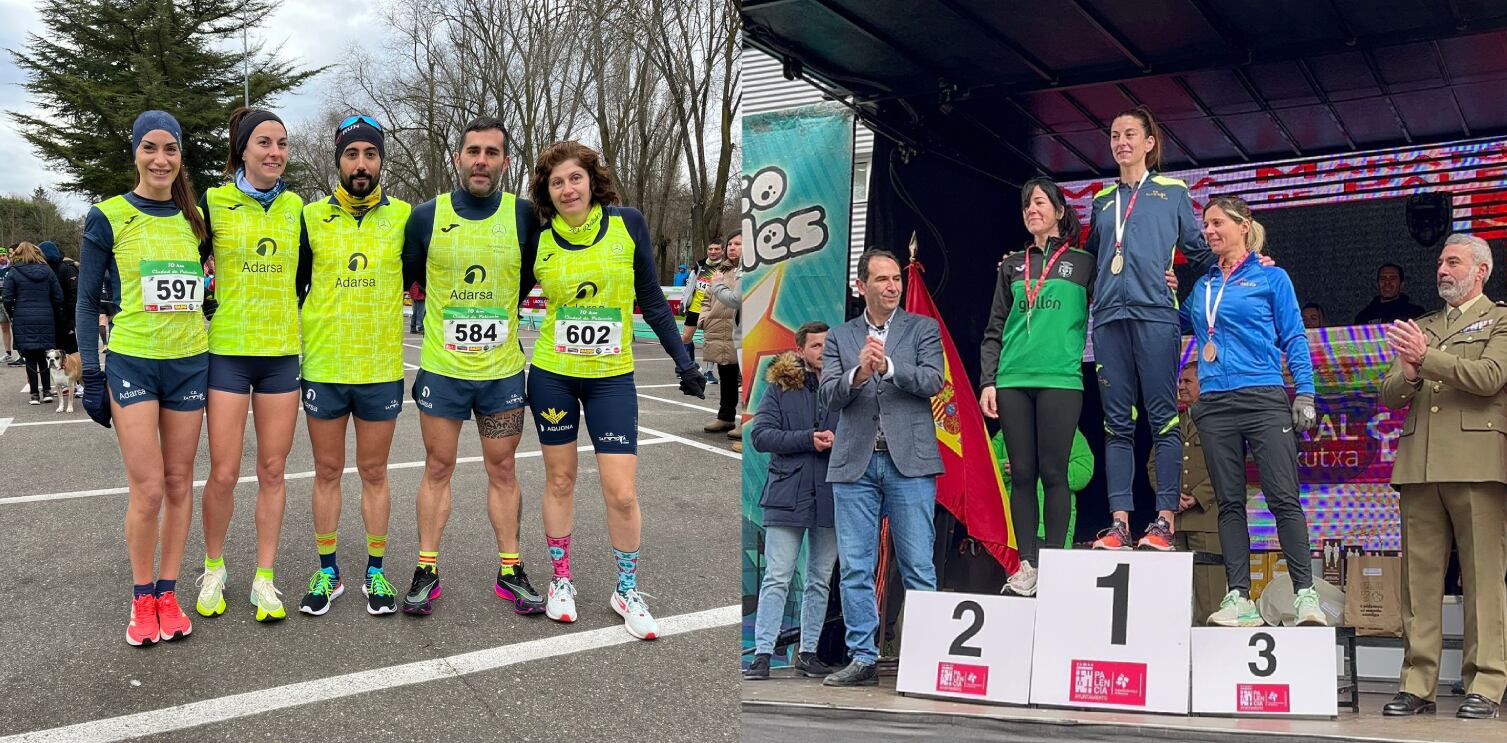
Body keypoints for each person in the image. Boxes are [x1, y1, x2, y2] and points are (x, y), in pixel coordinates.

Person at [526, 140, 705, 639]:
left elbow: (649, 293)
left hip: (611, 379)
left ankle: (626, 588)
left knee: (621, 492)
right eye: (556, 182)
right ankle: (561, 581)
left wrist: (683, 361)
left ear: (592, 180)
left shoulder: (628, 222)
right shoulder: (538, 237)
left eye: (575, 178)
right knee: (560, 481)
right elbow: (506, 296)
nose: (567, 189)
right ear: (548, 189)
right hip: (553, 375)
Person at [400, 116, 545, 616]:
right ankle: (425, 569)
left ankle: (510, 570)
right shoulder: (425, 216)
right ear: (458, 158)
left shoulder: (524, 215)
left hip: (502, 372)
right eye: (473, 151)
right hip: (443, 369)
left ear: (505, 162)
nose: (481, 160)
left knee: (502, 468)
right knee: (437, 467)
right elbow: (412, 276)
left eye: (492, 152)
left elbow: (528, 278)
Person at [78, 110, 210, 646]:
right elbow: (87, 304)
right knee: (149, 488)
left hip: (189, 362)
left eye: (171, 150)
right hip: (132, 361)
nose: (161, 160)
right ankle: (139, 598)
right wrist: (91, 373)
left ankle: (168, 591)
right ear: (135, 151)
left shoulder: (196, 218)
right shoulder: (107, 215)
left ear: (181, 156)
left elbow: (200, 282)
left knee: (180, 484)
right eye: (151, 148)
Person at [1379, 233, 1507, 720]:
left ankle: (1486, 683)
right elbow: (1390, 393)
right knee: (1419, 582)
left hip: (1477, 463)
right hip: (1419, 465)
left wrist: (1426, 358)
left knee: (1482, 580)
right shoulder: (1424, 326)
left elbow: (1491, 376)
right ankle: (1417, 683)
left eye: (1453, 261)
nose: (1442, 269)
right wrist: (1410, 371)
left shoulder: (1500, 319)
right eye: (1439, 262)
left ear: (1481, 271)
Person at [1180, 195, 1322, 627]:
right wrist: (1164, 289)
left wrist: (1306, 393)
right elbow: (1180, 320)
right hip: (1216, 403)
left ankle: (1306, 596)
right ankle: (1238, 597)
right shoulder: (1202, 286)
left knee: (1283, 498)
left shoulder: (1272, 276)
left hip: (1262, 397)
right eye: (1206, 225)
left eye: (1218, 222)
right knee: (1228, 504)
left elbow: (1294, 336)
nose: (1209, 230)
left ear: (1244, 226)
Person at [1086, 105, 1218, 552]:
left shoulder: (1173, 191)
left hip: (1157, 316)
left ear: (1148, 143)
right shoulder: (1102, 200)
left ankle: (1163, 520)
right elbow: (1090, 262)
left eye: (1129, 135)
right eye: (1114, 135)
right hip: (1108, 320)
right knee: (1116, 424)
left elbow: (1201, 255)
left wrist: (1184, 285)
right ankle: (1119, 523)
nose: (1121, 142)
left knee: (1164, 419)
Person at [295, 114, 412, 618]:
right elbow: (293, 284)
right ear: (338, 160)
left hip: (381, 368)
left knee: (374, 472)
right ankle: (328, 571)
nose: (361, 164)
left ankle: (376, 573)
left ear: (381, 160)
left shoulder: (408, 217)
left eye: (369, 154)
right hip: (324, 366)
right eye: (351, 154)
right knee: (326, 471)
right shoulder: (309, 216)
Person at [193, 107, 304, 624]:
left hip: (281, 354)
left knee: (273, 470)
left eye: (281, 144)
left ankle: (265, 576)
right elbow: (185, 261)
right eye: (264, 143)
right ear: (242, 149)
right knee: (223, 471)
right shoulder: (213, 203)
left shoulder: (297, 208)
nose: (275, 153)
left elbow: (307, 276)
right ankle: (214, 567)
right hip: (230, 353)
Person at [819, 248, 944, 687]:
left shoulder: (922, 329)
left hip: (909, 462)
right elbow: (828, 396)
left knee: (917, 566)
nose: (893, 286)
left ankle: (926, 656)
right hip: (855, 462)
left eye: (897, 280)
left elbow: (933, 380)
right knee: (855, 566)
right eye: (883, 280)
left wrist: (889, 366)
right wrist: (858, 374)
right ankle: (863, 657)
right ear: (861, 286)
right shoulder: (839, 336)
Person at [979, 177, 1096, 593]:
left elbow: (1114, 302)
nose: (1032, 209)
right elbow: (994, 328)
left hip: (1061, 379)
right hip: (1012, 379)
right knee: (1023, 473)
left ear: (1060, 211)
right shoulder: (1012, 266)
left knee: (1054, 472)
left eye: (1041, 202)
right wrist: (988, 381)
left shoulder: (1083, 262)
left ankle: (1055, 562)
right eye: (1027, 204)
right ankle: (1027, 563)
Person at [744, 322, 839, 681]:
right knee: (777, 576)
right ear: (800, 351)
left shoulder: (845, 387)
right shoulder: (780, 386)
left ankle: (808, 652)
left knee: (819, 578)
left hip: (831, 494)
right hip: (787, 494)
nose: (823, 352)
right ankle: (763, 655)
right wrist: (808, 439)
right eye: (816, 346)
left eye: (828, 345)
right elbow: (761, 436)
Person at [1149, 361, 1226, 626]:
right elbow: (1153, 464)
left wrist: (1197, 495)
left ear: (1204, 385)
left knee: (1209, 596)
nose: (1180, 386)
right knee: (1173, 598)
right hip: (1173, 520)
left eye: (1188, 382)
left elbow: (1229, 466)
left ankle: (1212, 656)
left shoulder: (1219, 422)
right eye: (1179, 382)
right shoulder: (1172, 422)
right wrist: (1167, 495)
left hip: (1206, 518)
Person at [991, 425, 1093, 555]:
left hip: (1052, 533)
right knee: (1016, 574)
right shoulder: (1007, 431)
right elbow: (984, 467)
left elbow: (1084, 470)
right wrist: (1005, 467)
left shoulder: (1068, 431)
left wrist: (1045, 469)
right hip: (1009, 532)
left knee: (1051, 573)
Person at [2, 242, 63, 404]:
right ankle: (47, 391)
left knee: (30, 355)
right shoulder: (48, 271)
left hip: (23, 316)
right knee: (44, 355)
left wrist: (14, 312)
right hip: (45, 316)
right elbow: (58, 296)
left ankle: (34, 394)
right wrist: (49, 307)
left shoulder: (14, 272)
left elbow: (6, 298)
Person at [702, 231, 743, 441]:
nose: (732, 247)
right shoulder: (720, 270)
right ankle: (725, 416)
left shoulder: (748, 270)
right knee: (726, 374)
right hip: (720, 329)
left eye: (738, 243)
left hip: (740, 329)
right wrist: (704, 318)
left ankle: (748, 420)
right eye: (730, 244)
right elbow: (706, 298)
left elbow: (736, 299)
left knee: (746, 378)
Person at [681, 242, 723, 383]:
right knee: (686, 337)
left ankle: (709, 372)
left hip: (712, 309)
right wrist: (683, 303)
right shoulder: (699, 265)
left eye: (717, 249)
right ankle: (690, 366)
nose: (713, 251)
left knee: (710, 342)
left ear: (722, 251)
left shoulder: (725, 267)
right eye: (710, 249)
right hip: (694, 307)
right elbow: (690, 285)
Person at [39, 241, 78, 356]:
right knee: (70, 354)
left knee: (53, 354)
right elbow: (74, 295)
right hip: (64, 317)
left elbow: (72, 295)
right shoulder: (68, 268)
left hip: (54, 316)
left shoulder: (44, 269)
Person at [1355, 263, 1425, 325]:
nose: (1387, 283)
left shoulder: (1416, 314)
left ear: (1401, 284)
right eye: (1383, 279)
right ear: (1377, 284)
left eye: (1393, 279)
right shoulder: (1364, 316)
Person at [0, 245, 15, 364]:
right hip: (0, 302)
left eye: (4, 255)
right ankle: (8, 353)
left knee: (15, 326)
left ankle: (22, 353)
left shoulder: (11, 267)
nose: (2, 257)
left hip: (10, 301)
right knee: (4, 327)